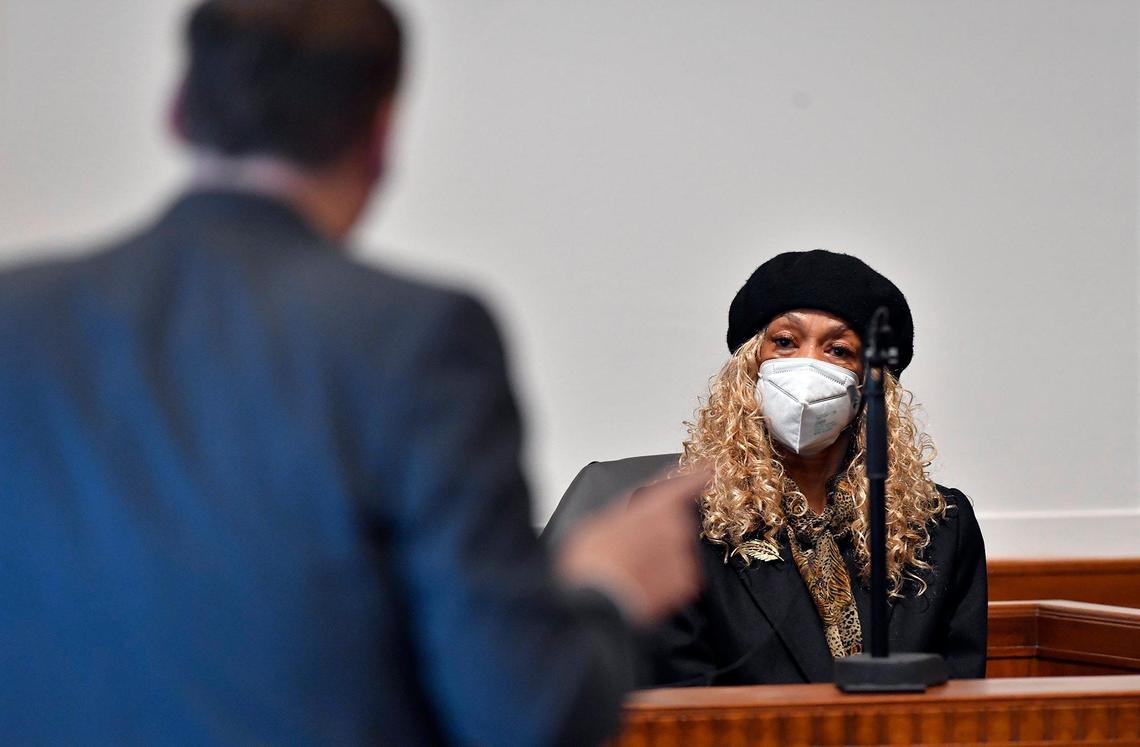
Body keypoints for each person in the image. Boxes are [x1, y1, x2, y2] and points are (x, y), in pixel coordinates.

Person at [0, 1, 706, 744]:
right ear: (379, 137)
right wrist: (606, 586)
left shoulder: (17, 316)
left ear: (177, 113)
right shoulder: (421, 337)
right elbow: (524, 718)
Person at [650, 249, 987, 686]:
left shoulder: (940, 526)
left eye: (838, 349)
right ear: (751, 365)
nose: (808, 367)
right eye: (786, 342)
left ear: (870, 380)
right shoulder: (679, 522)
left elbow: (962, 698)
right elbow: (678, 702)